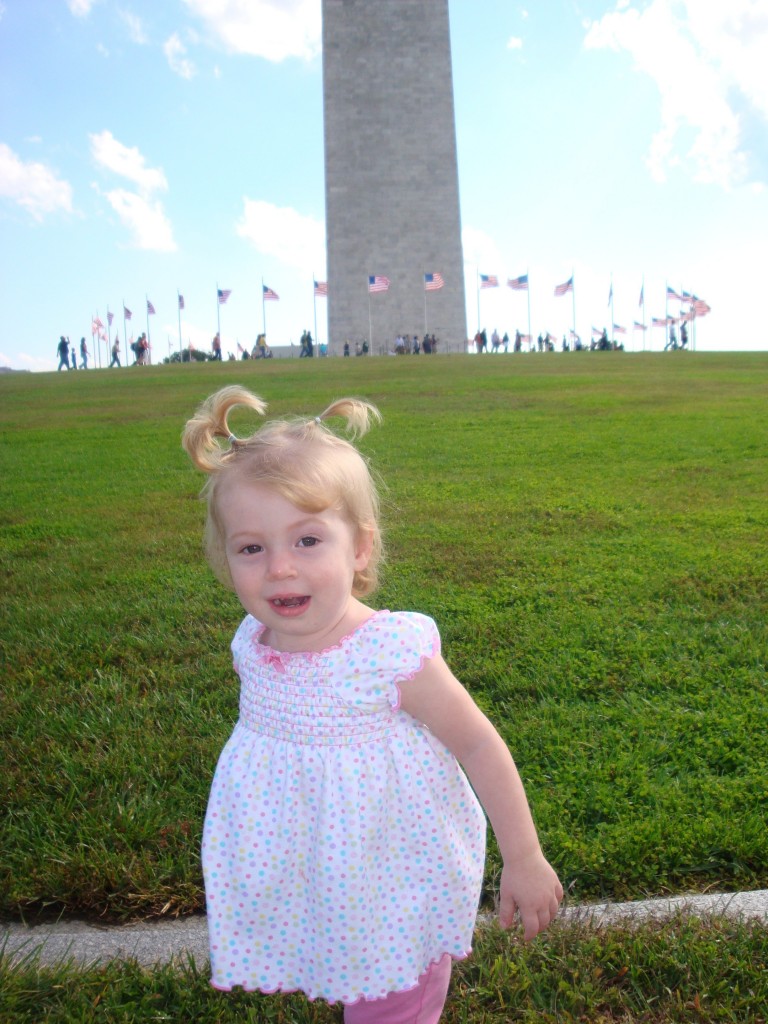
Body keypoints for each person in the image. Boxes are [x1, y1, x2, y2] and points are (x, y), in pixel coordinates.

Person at [181, 387, 563, 1023]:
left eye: (307, 541)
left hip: (392, 879)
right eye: (252, 548)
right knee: (349, 977)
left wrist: (522, 857)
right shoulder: (254, 642)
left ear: (358, 547)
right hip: (318, 872)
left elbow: (475, 742)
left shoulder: (389, 650)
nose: (279, 569)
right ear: (226, 559)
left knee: (392, 1005)